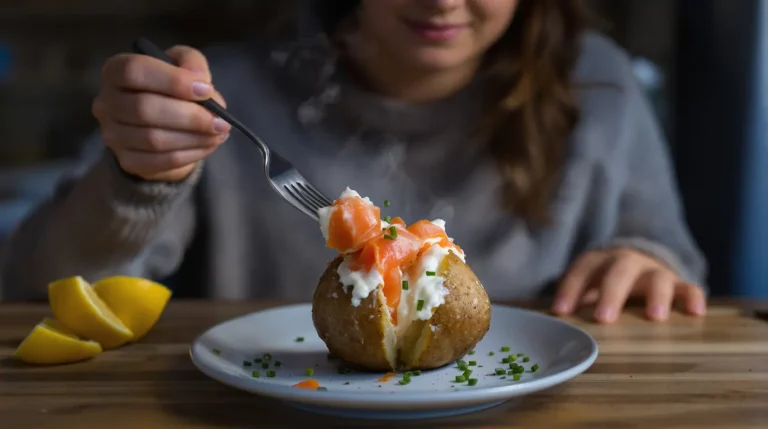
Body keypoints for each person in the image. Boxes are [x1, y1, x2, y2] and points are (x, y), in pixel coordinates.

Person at [0, 0, 707, 323]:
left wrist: (644, 259)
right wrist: (140, 180)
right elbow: (40, 287)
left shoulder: (601, 85)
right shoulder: (229, 95)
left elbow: (670, 254)